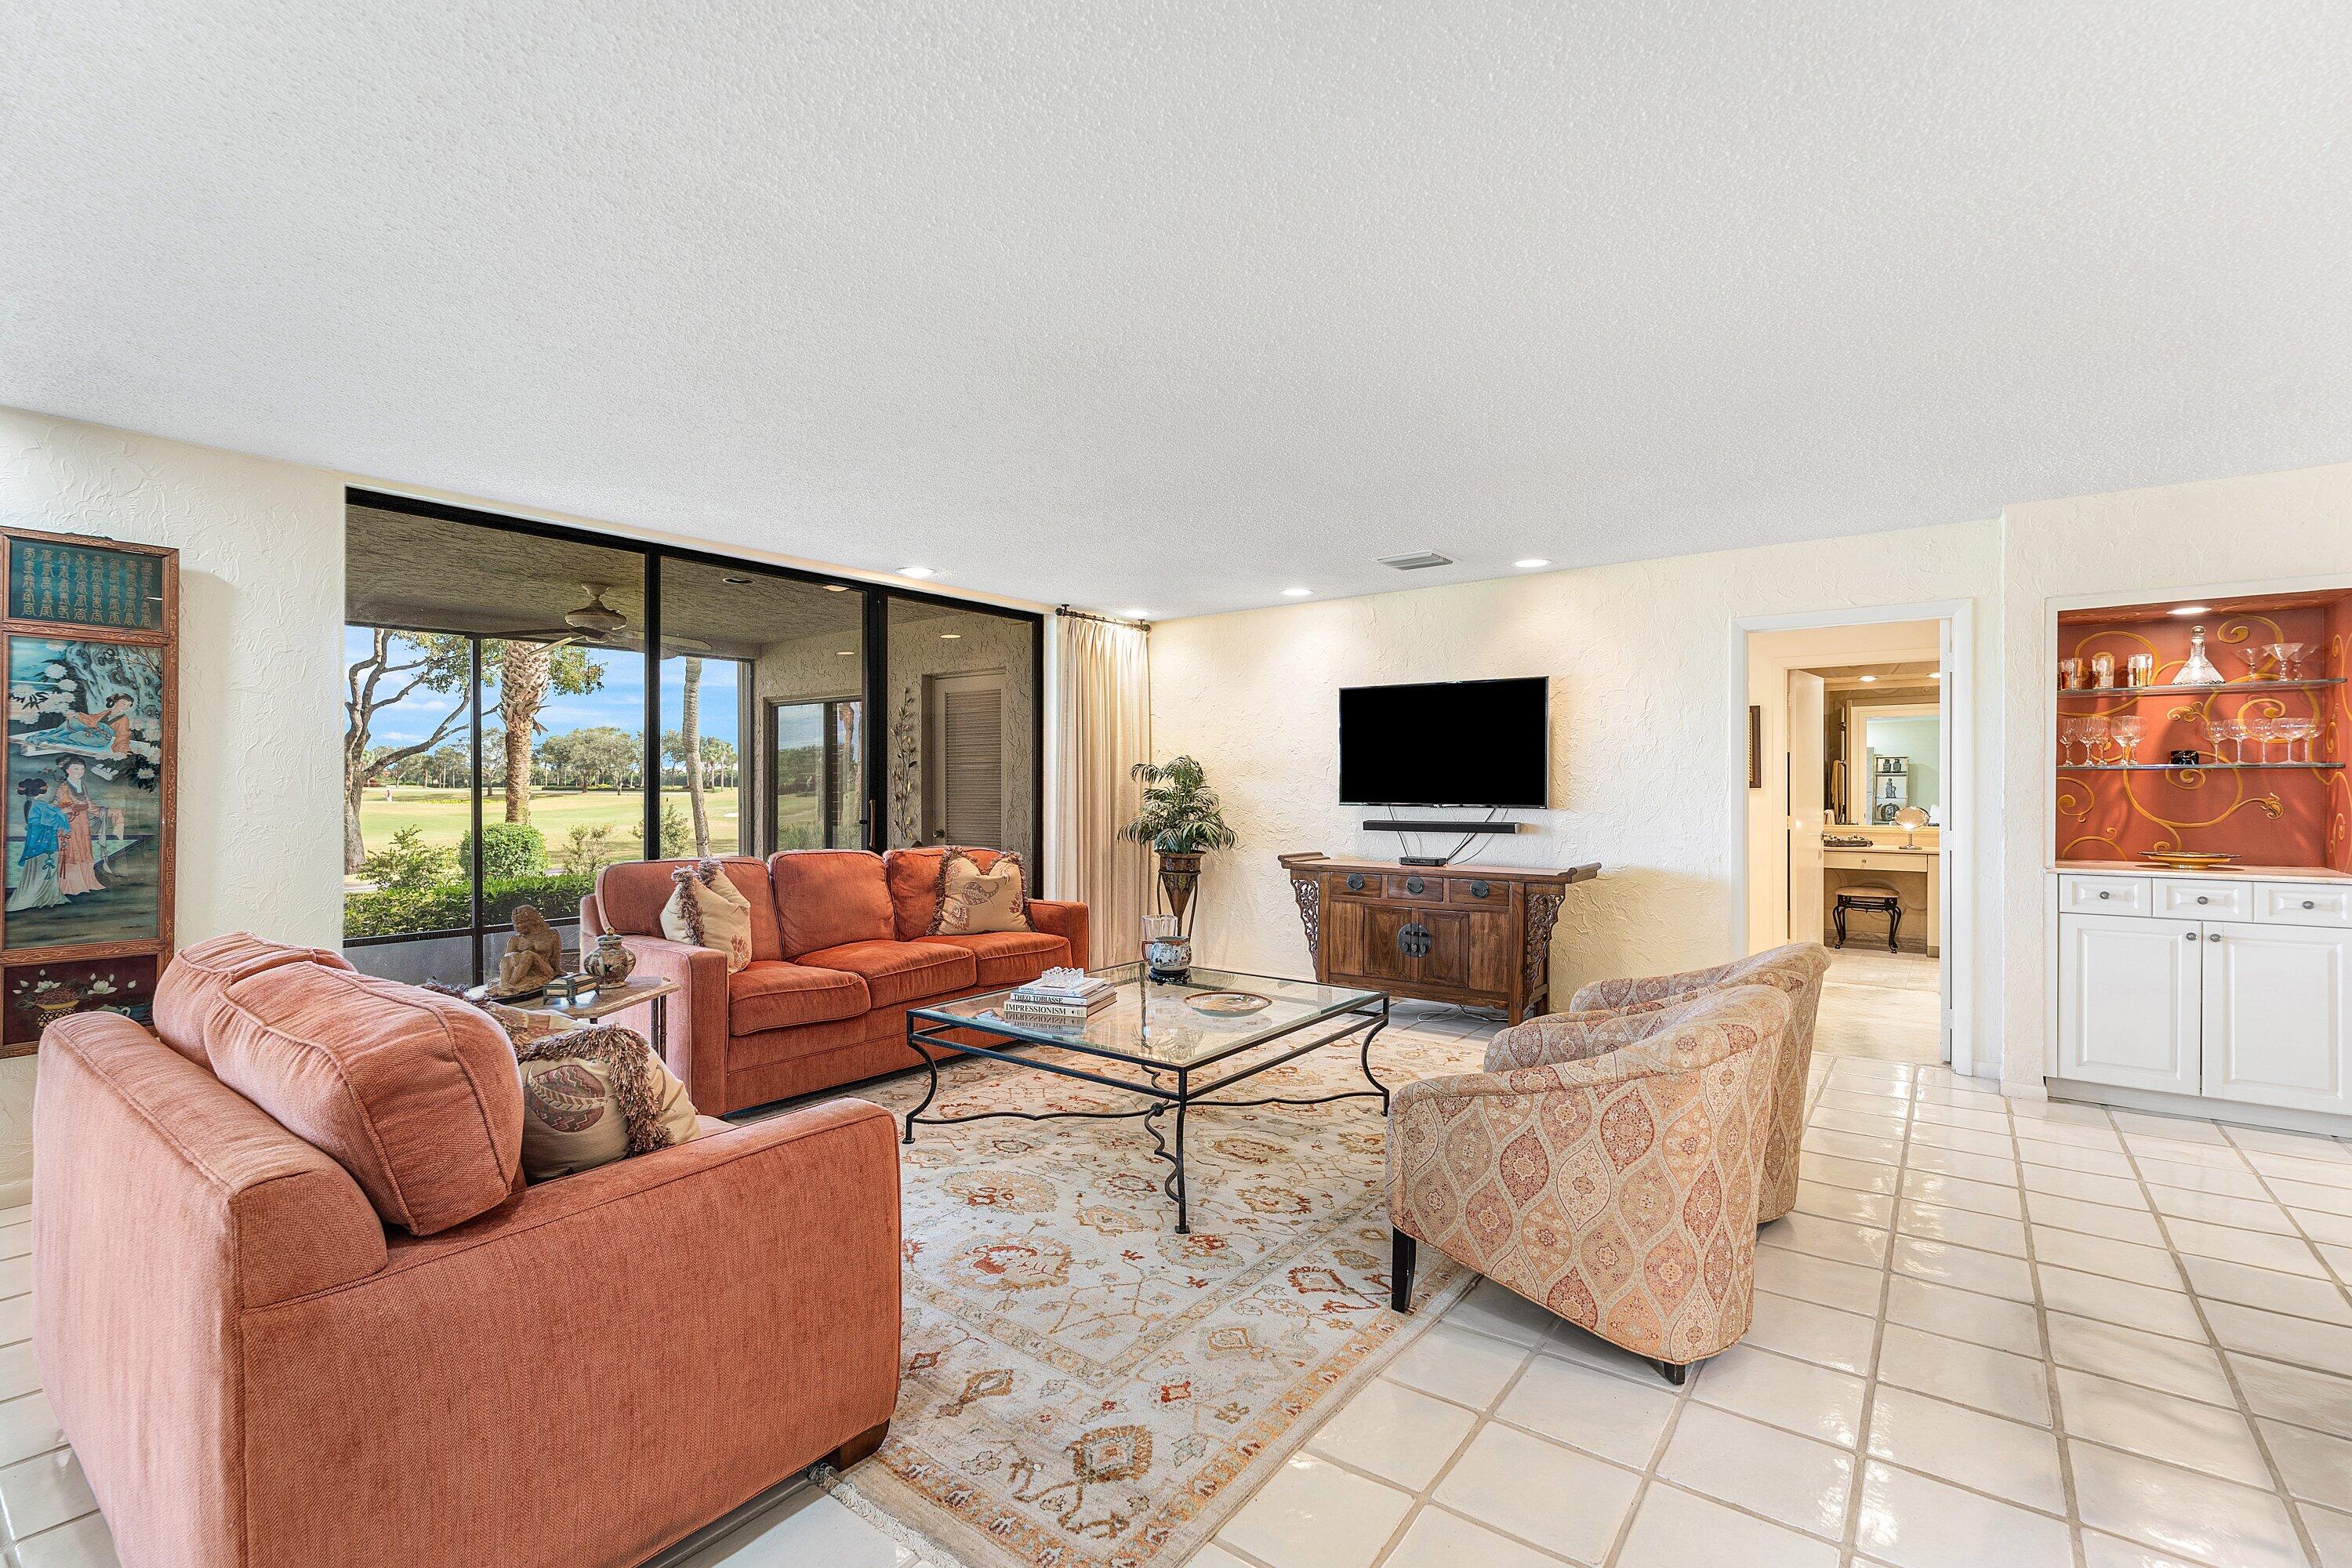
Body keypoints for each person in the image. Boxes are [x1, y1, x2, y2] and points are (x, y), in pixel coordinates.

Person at [5, 775, 67, 912]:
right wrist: (64, 811)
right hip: (44, 840)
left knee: (40, 868)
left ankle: (45, 896)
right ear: (38, 791)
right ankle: (35, 898)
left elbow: (50, 812)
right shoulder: (39, 804)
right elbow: (51, 819)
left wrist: (57, 806)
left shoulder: (30, 803)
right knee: (44, 868)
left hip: (36, 839)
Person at [54, 760, 103, 897]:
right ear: (67, 770)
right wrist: (63, 810)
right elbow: (55, 807)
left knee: (84, 849)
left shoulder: (82, 784)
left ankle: (87, 882)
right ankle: (70, 886)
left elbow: (88, 804)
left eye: (82, 769)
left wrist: (104, 812)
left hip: (82, 822)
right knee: (71, 851)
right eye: (76, 769)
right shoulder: (63, 787)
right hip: (69, 823)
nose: (80, 772)